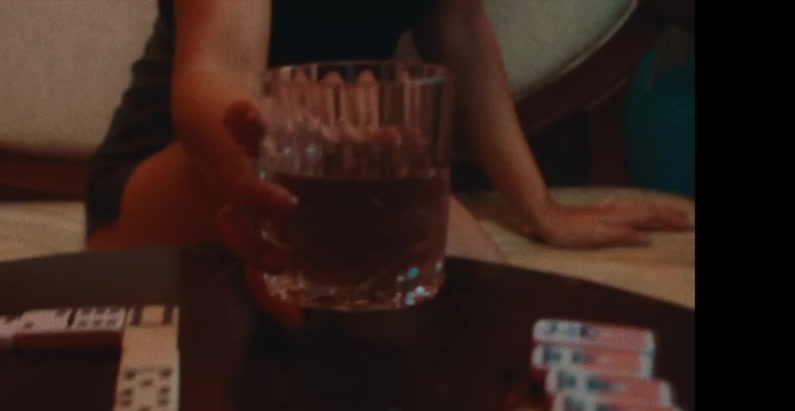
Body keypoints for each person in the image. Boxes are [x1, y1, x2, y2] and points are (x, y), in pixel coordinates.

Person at [84, 0, 691, 321]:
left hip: (346, 168)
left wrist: (542, 208)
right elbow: (216, 70)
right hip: (178, 172)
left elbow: (462, 32)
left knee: (473, 293)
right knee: (454, 267)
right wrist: (282, 153)